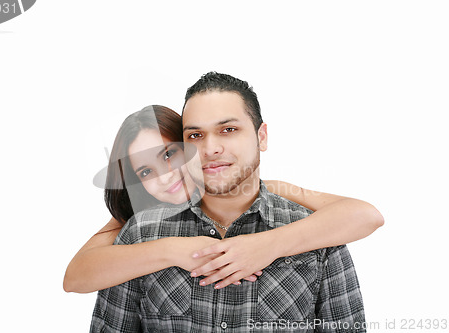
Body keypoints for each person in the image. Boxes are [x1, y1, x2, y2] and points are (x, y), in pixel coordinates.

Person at [89, 72, 379, 332]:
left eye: (228, 129)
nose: (211, 148)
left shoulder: (320, 236)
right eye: (195, 135)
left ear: (261, 136)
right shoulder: (142, 233)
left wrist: (271, 244)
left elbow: (366, 215)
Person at [63, 105, 383, 294]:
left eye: (170, 154)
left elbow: (365, 215)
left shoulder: (264, 190)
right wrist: (174, 250)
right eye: (146, 172)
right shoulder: (142, 218)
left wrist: (267, 245)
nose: (166, 176)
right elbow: (76, 276)